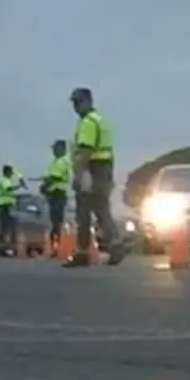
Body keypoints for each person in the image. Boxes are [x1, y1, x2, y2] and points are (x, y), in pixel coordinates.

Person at [63, 88, 126, 268]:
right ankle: (116, 245)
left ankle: (82, 253)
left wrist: (78, 175)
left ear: (88, 101)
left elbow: (86, 151)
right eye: (74, 103)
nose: (75, 107)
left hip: (92, 168)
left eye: (78, 102)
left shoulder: (88, 123)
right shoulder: (101, 120)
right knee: (102, 210)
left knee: (83, 212)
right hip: (104, 168)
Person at [40, 140, 72, 252]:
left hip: (59, 193)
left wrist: (46, 183)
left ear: (62, 149)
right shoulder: (54, 162)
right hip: (53, 194)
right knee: (54, 221)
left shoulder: (63, 161)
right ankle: (54, 245)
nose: (53, 150)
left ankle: (58, 244)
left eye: (55, 148)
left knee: (57, 221)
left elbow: (56, 177)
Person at [0, 164, 24, 256]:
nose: (12, 174)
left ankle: (7, 248)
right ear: (7, 172)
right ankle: (2, 249)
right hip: (3, 206)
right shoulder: (4, 180)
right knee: (4, 228)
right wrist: (19, 186)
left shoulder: (6, 180)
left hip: (7, 206)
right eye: (11, 172)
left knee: (8, 227)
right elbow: (9, 189)